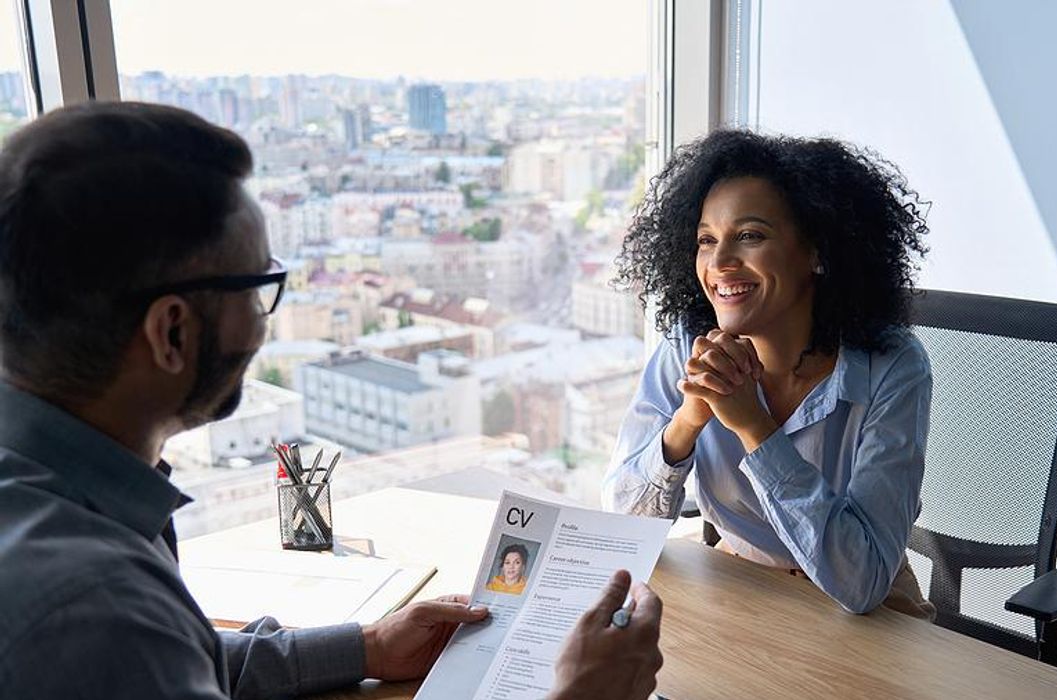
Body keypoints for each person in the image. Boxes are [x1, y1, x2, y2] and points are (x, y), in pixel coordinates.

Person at [0, 102, 663, 700]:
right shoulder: (89, 607)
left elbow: (167, 664)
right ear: (171, 332)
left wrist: (365, 647)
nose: (263, 325)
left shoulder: (49, 503)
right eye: (258, 288)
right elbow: (123, 649)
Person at [604, 129, 935, 619]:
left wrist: (753, 427)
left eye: (750, 236)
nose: (718, 263)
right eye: (706, 240)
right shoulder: (687, 343)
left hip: (869, 614)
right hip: (740, 590)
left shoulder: (891, 366)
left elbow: (862, 581)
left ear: (817, 251)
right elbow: (622, 525)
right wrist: (688, 421)